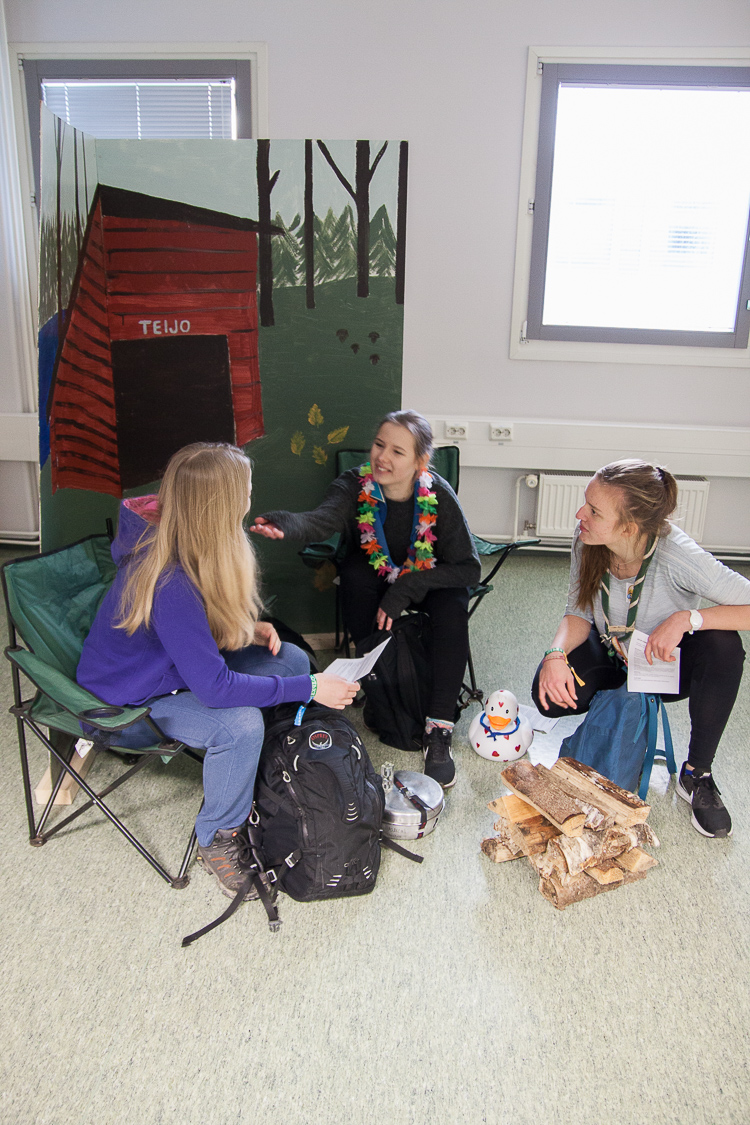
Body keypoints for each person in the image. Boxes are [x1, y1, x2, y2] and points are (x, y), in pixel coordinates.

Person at [77, 443, 359, 901]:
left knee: (288, 657)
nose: (251, 492)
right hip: (129, 703)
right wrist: (311, 686)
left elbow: (186, 629)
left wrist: (243, 630)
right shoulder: (168, 580)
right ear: (220, 504)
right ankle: (218, 836)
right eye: (245, 487)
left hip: (169, 670)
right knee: (240, 725)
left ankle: (266, 770)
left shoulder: (183, 538)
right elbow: (213, 688)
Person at [251, 410, 481, 789]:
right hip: (374, 577)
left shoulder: (438, 494)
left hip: (427, 579)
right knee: (355, 575)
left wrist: (405, 588)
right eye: (378, 445)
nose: (382, 457)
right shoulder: (353, 485)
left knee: (453, 603)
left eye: (397, 452)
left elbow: (469, 569)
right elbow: (321, 521)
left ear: (420, 461)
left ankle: (438, 728)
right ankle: (381, 691)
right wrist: (285, 523)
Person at [533, 459, 750, 838]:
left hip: (661, 662)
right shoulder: (588, 538)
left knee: (724, 645)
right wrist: (555, 655)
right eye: (586, 503)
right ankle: (607, 726)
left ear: (629, 528)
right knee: (548, 698)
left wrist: (688, 619)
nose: (580, 514)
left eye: (594, 511)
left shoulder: (677, 554)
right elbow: (578, 611)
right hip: (611, 652)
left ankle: (697, 773)